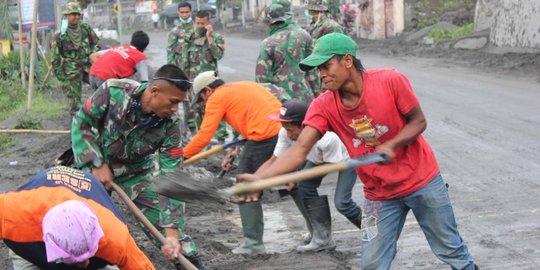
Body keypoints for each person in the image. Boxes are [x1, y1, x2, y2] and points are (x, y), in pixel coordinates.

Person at [237, 33, 477, 270]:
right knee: (372, 264)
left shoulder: (390, 81)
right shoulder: (324, 105)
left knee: (450, 249)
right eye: (318, 69)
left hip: (422, 182)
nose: (321, 74)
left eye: (326, 66)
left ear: (348, 61)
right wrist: (260, 179)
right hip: (379, 194)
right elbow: (300, 149)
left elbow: (418, 122)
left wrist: (391, 144)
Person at [71, 64, 203, 269]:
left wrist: (171, 235)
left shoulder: (171, 126)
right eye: (173, 102)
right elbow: (83, 122)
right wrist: (96, 163)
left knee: (167, 231)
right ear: (154, 91)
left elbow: (171, 178)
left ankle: (189, 262)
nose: (176, 109)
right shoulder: (114, 91)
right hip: (95, 164)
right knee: (75, 221)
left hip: (135, 172)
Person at [184, 71, 281, 255]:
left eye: (202, 98)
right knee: (291, 182)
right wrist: (235, 148)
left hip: (263, 137)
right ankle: (319, 234)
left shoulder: (216, 98)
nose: (204, 103)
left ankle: (253, 245)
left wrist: (182, 156)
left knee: (244, 185)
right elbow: (251, 114)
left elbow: (204, 136)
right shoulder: (242, 85)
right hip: (282, 132)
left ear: (207, 90)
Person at [257, 99, 362, 252]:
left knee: (342, 203)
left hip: (346, 159)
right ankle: (323, 238)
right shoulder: (286, 133)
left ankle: (374, 233)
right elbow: (275, 160)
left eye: (291, 129)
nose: (287, 133)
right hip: (319, 157)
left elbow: (331, 165)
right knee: (304, 186)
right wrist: (256, 179)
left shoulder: (327, 139)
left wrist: (297, 176)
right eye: (285, 128)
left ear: (304, 125)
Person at [1, 166, 155, 269]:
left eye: (88, 254)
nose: (83, 263)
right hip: (31, 249)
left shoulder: (115, 236)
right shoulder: (11, 214)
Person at [256, 3, 319, 102]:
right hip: (306, 99)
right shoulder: (305, 35)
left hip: (282, 103)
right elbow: (313, 71)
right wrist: (317, 94)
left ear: (270, 23)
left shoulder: (268, 43)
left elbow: (261, 81)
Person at [51, 1, 99, 115]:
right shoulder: (60, 35)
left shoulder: (85, 28)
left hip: (88, 67)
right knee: (75, 104)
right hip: (71, 71)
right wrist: (62, 79)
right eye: (73, 14)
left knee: (102, 91)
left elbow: (96, 43)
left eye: (78, 14)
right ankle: (77, 128)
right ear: (66, 15)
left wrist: (93, 54)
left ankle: (97, 121)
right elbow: (55, 59)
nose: (77, 17)